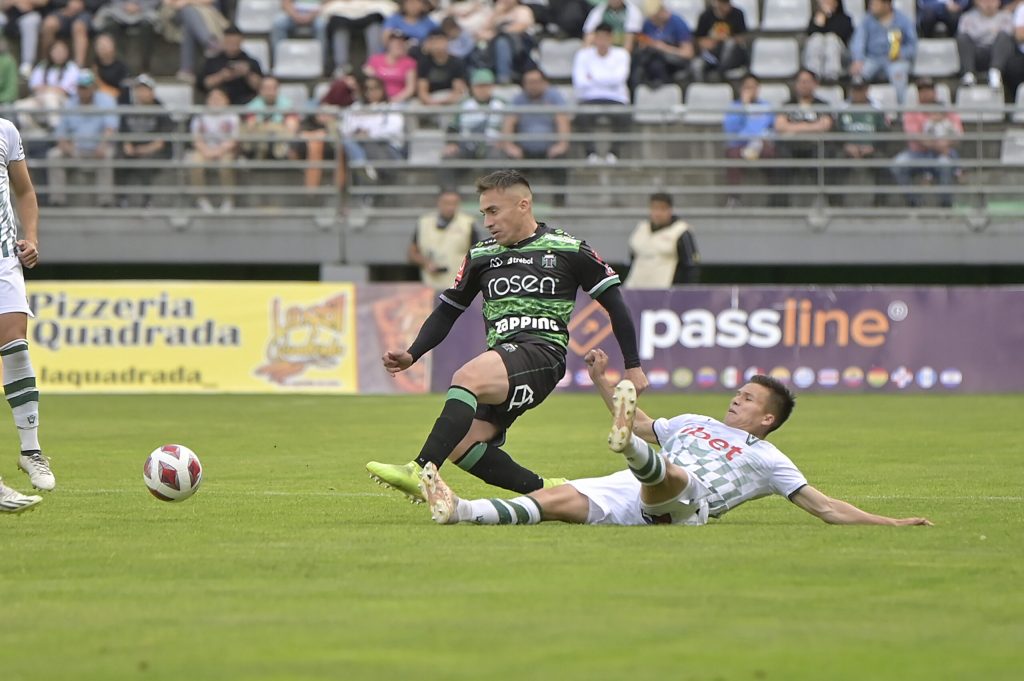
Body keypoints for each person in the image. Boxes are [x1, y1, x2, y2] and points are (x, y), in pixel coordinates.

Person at [368, 169, 649, 501]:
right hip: (505, 360)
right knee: (461, 442)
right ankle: (549, 492)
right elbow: (448, 310)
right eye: (483, 212)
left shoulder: (568, 249)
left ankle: (421, 470)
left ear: (523, 205)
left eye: (493, 211)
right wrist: (413, 353)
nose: (487, 221)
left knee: (467, 376)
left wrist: (633, 366)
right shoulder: (480, 255)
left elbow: (616, 305)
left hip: (542, 354)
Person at [419, 352, 933, 528]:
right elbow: (640, 420)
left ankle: (635, 457)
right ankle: (460, 511)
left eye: (749, 399)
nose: (737, 399)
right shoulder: (694, 422)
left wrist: (890, 521)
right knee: (553, 501)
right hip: (635, 488)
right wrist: (603, 379)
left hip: (691, 505)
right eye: (739, 392)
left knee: (675, 475)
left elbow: (826, 508)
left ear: (768, 419)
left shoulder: (771, 459)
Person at [0, 114, 51, 510]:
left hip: (3, 262)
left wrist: (30, 237)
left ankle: (30, 451)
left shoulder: (5, 131)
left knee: (16, 347)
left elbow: (26, 192)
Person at [45, 69, 118, 207]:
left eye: (86, 86)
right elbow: (60, 132)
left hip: (99, 147)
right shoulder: (70, 104)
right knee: (54, 155)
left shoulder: (106, 100)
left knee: (108, 154)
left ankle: (105, 201)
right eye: (80, 87)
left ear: (93, 86)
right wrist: (66, 146)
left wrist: (103, 144)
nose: (83, 90)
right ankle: (57, 200)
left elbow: (111, 128)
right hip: (76, 149)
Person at [499, 67, 570, 205]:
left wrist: (561, 145)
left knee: (562, 160)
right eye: (529, 82)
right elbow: (509, 122)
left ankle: (560, 205)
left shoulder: (554, 97)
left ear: (544, 82)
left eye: (536, 81)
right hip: (524, 150)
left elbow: (562, 120)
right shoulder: (518, 99)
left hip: (550, 149)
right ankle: (512, 204)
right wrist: (509, 146)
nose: (533, 85)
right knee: (508, 162)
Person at [891, 78, 962, 208]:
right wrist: (938, 145)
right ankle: (914, 202)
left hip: (943, 153)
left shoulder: (947, 111)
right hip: (918, 154)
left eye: (928, 90)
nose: (925, 93)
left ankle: (945, 205)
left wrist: (944, 145)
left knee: (945, 164)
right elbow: (916, 136)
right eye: (922, 90)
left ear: (934, 92)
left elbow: (958, 134)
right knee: (898, 164)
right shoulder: (911, 113)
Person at [572, 22, 630, 163]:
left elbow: (619, 78)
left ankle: (613, 153)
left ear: (611, 38)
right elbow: (580, 81)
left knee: (625, 117)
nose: (602, 41)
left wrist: (593, 77)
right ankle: (590, 153)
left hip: (616, 98)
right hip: (589, 97)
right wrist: (607, 79)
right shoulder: (582, 55)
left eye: (606, 38)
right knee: (581, 116)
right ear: (594, 38)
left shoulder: (622, 54)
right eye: (599, 37)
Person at [773, 68, 833, 207]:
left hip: (814, 146)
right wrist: (810, 127)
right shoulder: (788, 104)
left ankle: (828, 202)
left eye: (807, 82)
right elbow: (780, 126)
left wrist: (794, 128)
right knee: (780, 158)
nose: (803, 85)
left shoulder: (822, 105)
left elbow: (824, 126)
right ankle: (780, 204)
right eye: (801, 82)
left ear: (814, 84)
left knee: (826, 156)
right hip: (791, 146)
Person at [439, 67, 506, 188]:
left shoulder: (502, 104)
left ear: (492, 87)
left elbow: (511, 125)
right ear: (472, 87)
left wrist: (505, 141)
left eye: (486, 86)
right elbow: (452, 126)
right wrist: (452, 143)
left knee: (497, 159)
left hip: (493, 145)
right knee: (449, 158)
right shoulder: (464, 104)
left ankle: (495, 199)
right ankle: (449, 196)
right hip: (467, 145)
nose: (482, 90)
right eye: (479, 86)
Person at [117, 73, 173, 208]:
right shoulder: (128, 109)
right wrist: (127, 145)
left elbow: (162, 141)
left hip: (156, 150)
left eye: (144, 89)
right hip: (134, 148)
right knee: (118, 157)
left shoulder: (161, 110)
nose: (141, 93)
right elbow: (122, 133)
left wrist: (144, 150)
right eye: (138, 89)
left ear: (152, 92)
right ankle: (121, 198)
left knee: (146, 161)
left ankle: (148, 200)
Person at [830, 79, 888, 206]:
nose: (858, 93)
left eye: (860, 90)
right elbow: (836, 133)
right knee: (833, 163)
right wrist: (846, 146)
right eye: (855, 90)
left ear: (867, 90)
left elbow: (884, 133)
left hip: (871, 149)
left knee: (883, 164)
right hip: (847, 149)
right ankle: (836, 205)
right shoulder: (842, 109)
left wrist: (873, 147)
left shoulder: (876, 109)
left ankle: (880, 205)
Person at [408, 187, 480, 290]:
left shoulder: (468, 223)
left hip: (458, 288)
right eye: (446, 203)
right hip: (429, 287)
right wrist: (425, 263)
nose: (450, 207)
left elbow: (477, 255)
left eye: (454, 203)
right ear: (438, 202)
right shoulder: (424, 222)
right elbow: (412, 253)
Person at [623, 192, 699, 288]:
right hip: (635, 290)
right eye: (654, 208)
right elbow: (631, 260)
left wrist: (683, 295)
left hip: (663, 293)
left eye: (662, 209)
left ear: (670, 210)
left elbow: (691, 267)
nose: (658, 213)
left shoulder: (681, 231)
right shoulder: (641, 228)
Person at [850, 0, 917, 105]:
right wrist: (858, 59)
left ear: (887, 5)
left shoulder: (903, 20)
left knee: (898, 75)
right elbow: (858, 41)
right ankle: (855, 108)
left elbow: (912, 46)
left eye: (875, 4)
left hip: (895, 60)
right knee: (858, 75)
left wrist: (902, 53)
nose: (871, 6)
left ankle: (900, 113)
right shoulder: (866, 20)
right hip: (872, 58)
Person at [722, 74, 775, 207]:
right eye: (747, 87)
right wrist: (744, 108)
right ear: (741, 89)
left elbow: (773, 127)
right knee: (732, 156)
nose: (751, 90)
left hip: (761, 144)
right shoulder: (734, 107)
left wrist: (763, 138)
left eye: (754, 87)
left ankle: (775, 197)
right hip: (740, 145)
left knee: (774, 155)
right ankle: (734, 198)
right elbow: (731, 129)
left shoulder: (766, 106)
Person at [187, 87, 239, 212]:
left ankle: (229, 199)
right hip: (204, 149)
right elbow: (196, 138)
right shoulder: (200, 116)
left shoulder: (232, 116)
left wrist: (219, 151)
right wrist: (206, 151)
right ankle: (201, 199)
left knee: (226, 164)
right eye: (212, 98)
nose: (215, 101)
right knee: (195, 163)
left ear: (226, 101)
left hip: (225, 150)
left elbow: (234, 139)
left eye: (219, 98)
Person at [632, 2, 694, 88]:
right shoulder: (648, 24)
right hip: (652, 61)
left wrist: (664, 47)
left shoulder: (677, 23)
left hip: (672, 62)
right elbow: (643, 43)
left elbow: (688, 53)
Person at [90, 0, 161, 73]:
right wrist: (123, 6)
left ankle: (145, 68)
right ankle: (119, 67)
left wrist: (140, 6)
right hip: (118, 10)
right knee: (110, 25)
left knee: (148, 27)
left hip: (145, 11)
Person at [199, 25, 263, 105]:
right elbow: (204, 84)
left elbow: (261, 87)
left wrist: (247, 74)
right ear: (224, 41)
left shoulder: (251, 62)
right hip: (218, 105)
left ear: (241, 41)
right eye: (229, 42)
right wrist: (221, 76)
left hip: (246, 105)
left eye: (235, 42)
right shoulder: (212, 61)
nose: (232, 45)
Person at [955, 0, 1013, 89]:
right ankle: (968, 75)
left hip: (996, 53)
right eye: (984, 1)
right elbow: (965, 35)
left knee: (1004, 37)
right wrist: (991, 31)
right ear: (976, 2)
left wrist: (979, 33)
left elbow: (1008, 34)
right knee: (962, 38)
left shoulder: (1006, 16)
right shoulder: (967, 17)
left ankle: (995, 74)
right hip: (975, 52)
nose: (988, 4)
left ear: (999, 2)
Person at [692, 0, 748, 83]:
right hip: (712, 54)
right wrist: (712, 40)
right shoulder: (705, 15)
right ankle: (700, 88)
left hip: (733, 55)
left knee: (730, 44)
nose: (725, 7)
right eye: (722, 3)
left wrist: (726, 38)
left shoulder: (737, 14)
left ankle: (720, 72)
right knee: (696, 64)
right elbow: (699, 40)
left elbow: (742, 38)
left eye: (727, 3)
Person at [803, 0, 854, 83]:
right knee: (816, 39)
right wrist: (820, 22)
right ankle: (814, 74)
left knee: (831, 38)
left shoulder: (845, 19)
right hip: (820, 50)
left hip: (841, 55)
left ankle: (831, 75)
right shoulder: (816, 18)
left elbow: (841, 33)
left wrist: (829, 16)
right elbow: (811, 33)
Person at [39, 0, 100, 68]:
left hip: (86, 11)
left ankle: (79, 67)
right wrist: (67, 4)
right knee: (49, 24)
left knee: (79, 27)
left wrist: (82, 4)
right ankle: (46, 62)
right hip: (62, 10)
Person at [416, 28, 468, 105]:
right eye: (433, 42)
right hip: (431, 98)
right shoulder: (424, 62)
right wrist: (432, 102)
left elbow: (458, 90)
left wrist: (444, 102)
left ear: (447, 41)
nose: (437, 45)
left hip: (449, 97)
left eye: (440, 41)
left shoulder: (456, 62)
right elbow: (422, 91)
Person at [363, 30, 417, 103]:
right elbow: (369, 81)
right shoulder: (374, 60)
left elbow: (410, 88)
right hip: (377, 100)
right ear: (388, 44)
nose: (400, 45)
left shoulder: (409, 62)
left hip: (400, 101)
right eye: (396, 42)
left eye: (402, 42)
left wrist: (393, 100)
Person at [2, 0, 43, 79]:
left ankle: (27, 64)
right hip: (8, 14)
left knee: (30, 22)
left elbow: (42, 2)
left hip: (30, 14)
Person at [92, 32, 132, 101]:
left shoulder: (122, 67)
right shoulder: (93, 64)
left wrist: (100, 85)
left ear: (113, 46)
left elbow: (122, 93)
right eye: (99, 44)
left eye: (105, 44)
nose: (102, 47)